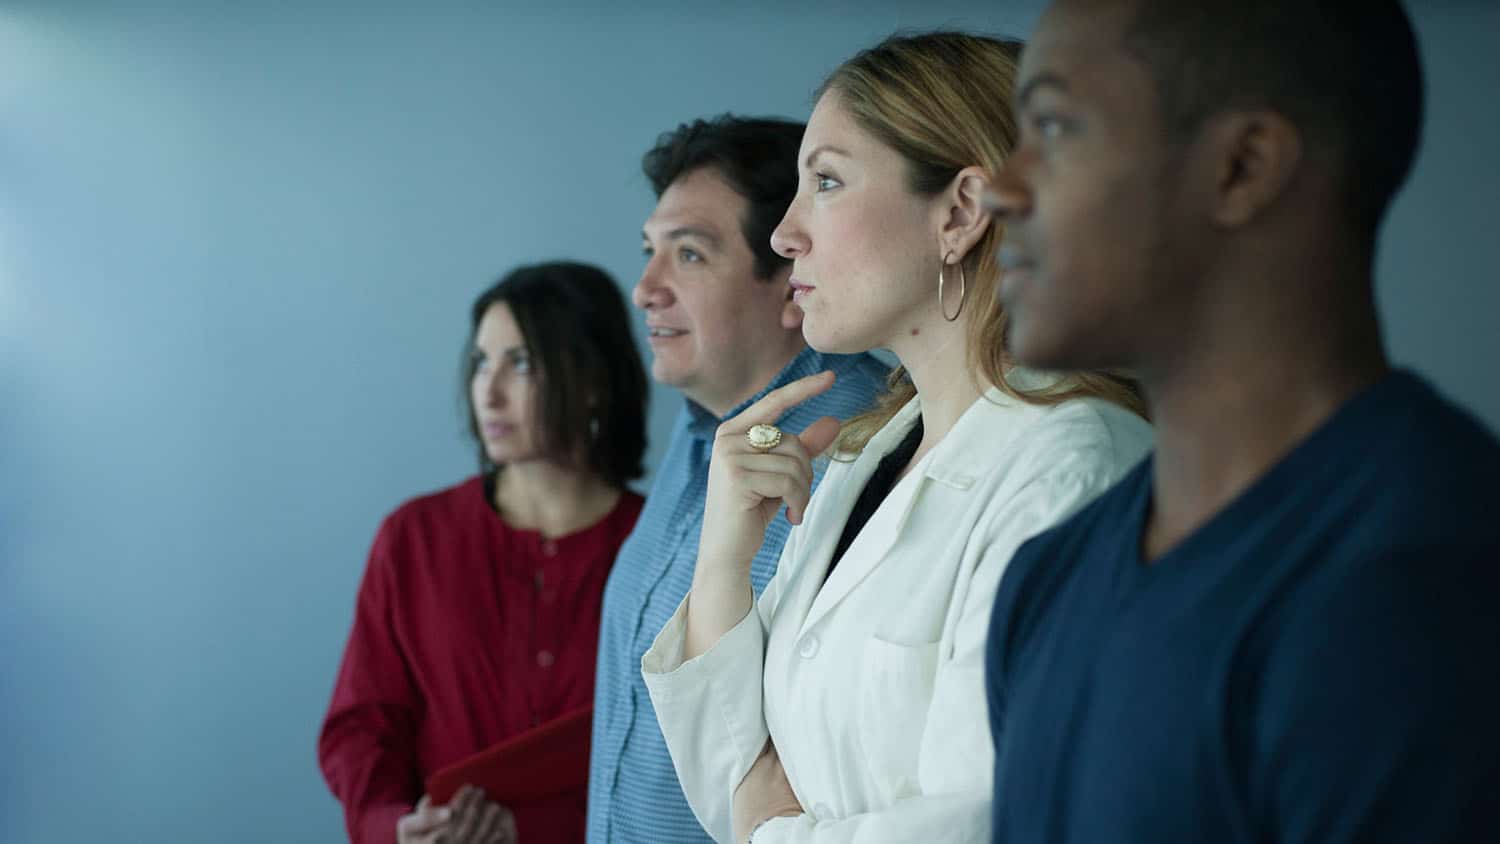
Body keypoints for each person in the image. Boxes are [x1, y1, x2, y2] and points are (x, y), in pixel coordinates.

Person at [982, 1, 1500, 841]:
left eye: (1054, 126)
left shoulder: (1424, 586)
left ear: (1242, 167)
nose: (1000, 187)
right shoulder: (1047, 583)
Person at [639, 33, 1152, 844]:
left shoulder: (1078, 471)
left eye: (827, 182)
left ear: (961, 212)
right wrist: (723, 560)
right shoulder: (862, 458)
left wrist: (772, 833)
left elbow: (992, 821)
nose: (785, 235)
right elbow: (730, 786)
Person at [586, 116, 890, 843]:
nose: (644, 290)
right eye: (650, 253)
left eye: (689, 254)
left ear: (791, 283)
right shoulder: (699, 431)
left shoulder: (865, 448)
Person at [319, 262, 650, 844]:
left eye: (521, 363)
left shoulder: (658, 547)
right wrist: (396, 826)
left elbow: (672, 755)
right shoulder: (412, 538)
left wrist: (528, 830)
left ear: (594, 379)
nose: (488, 393)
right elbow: (362, 726)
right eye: (480, 363)